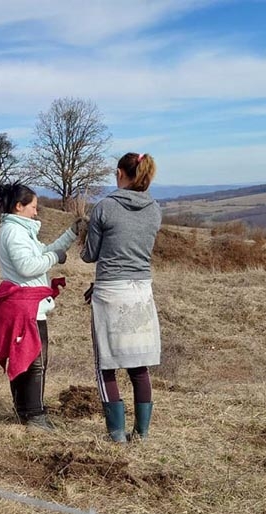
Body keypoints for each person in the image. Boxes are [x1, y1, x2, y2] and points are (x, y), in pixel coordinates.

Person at [81, 152, 162, 442]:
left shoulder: (105, 207)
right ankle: (141, 434)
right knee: (138, 366)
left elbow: (90, 255)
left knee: (107, 364)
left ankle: (116, 435)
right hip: (141, 291)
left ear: (119, 173)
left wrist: (83, 232)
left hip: (111, 293)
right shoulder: (155, 209)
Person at [0, 182, 84, 430]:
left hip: (25, 305)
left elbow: (43, 251)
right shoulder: (14, 233)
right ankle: (34, 416)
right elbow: (27, 267)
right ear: (19, 206)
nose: (36, 211)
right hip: (26, 308)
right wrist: (55, 258)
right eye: (33, 206)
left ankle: (25, 411)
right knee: (35, 362)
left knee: (26, 360)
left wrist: (72, 233)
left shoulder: (20, 231)